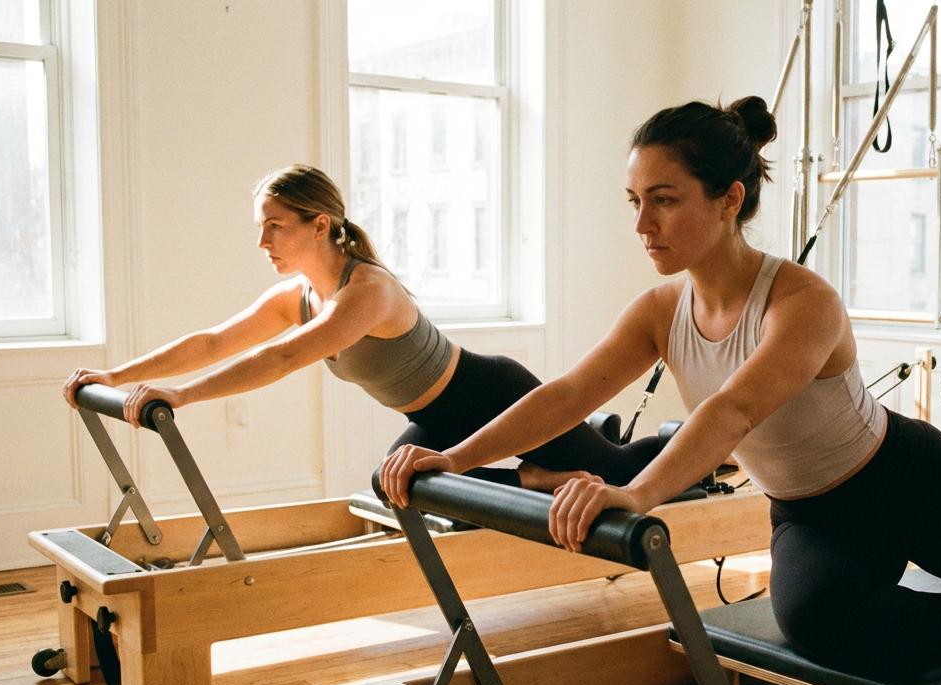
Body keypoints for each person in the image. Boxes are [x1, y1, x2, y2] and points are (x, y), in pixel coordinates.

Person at [378, 98, 941, 667]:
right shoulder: (661, 311)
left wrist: (637, 493)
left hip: (905, 481)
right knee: (817, 623)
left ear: (729, 200)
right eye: (635, 202)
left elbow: (734, 409)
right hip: (811, 510)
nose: (643, 225)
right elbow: (566, 396)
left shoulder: (802, 301)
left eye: (664, 201)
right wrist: (453, 458)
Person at [63, 164, 662, 494]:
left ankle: (694, 442)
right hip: (441, 419)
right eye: (260, 227)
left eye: (274, 226)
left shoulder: (367, 292)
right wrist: (116, 375)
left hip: (493, 396)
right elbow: (214, 341)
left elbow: (281, 359)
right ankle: (538, 475)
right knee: (392, 481)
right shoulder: (298, 297)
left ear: (320, 224)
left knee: (623, 472)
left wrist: (183, 395)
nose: (262, 241)